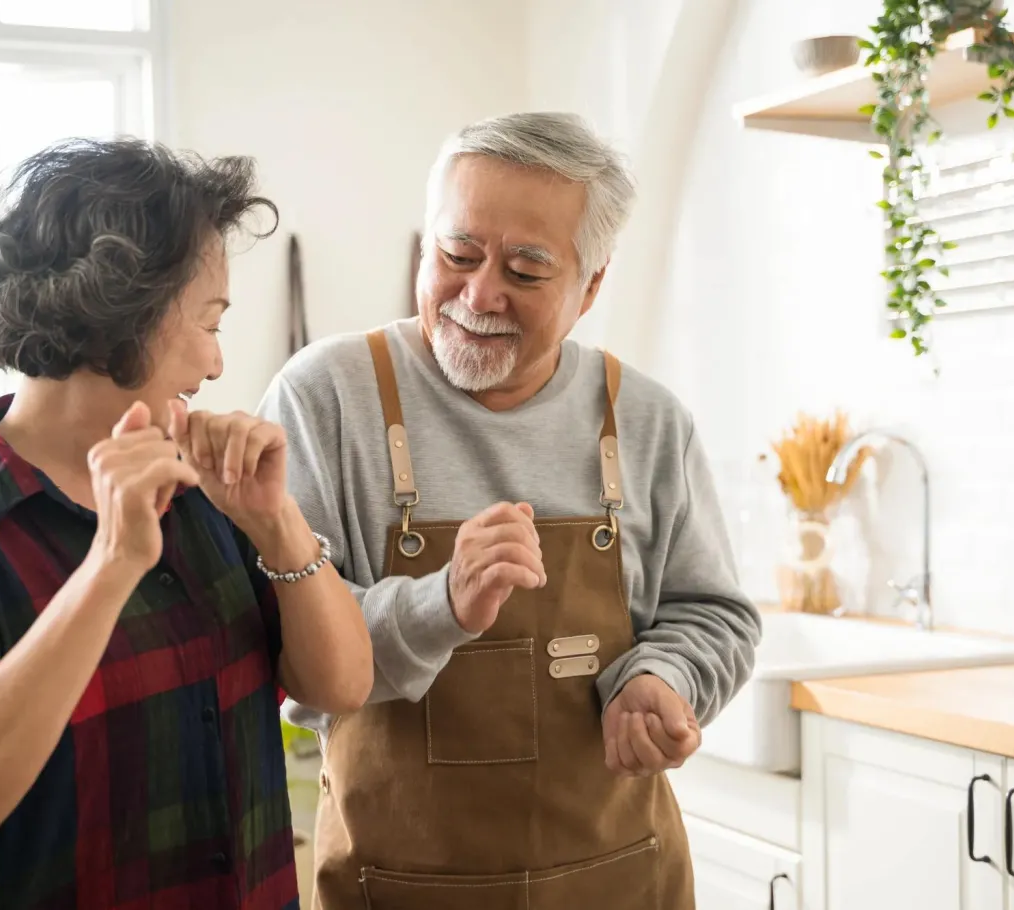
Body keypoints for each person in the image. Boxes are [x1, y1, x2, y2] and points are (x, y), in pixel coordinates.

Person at [0, 137, 373, 910]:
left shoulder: (201, 492)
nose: (218, 364)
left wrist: (276, 522)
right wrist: (111, 564)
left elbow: (343, 684)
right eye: (209, 321)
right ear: (127, 310)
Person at [256, 111, 762, 909]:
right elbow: (289, 660)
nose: (478, 293)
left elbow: (715, 614)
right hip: (394, 889)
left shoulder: (647, 419)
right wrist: (439, 605)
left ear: (591, 285)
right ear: (428, 246)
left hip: (618, 881)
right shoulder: (326, 398)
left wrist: (664, 679)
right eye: (457, 255)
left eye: (526, 271)